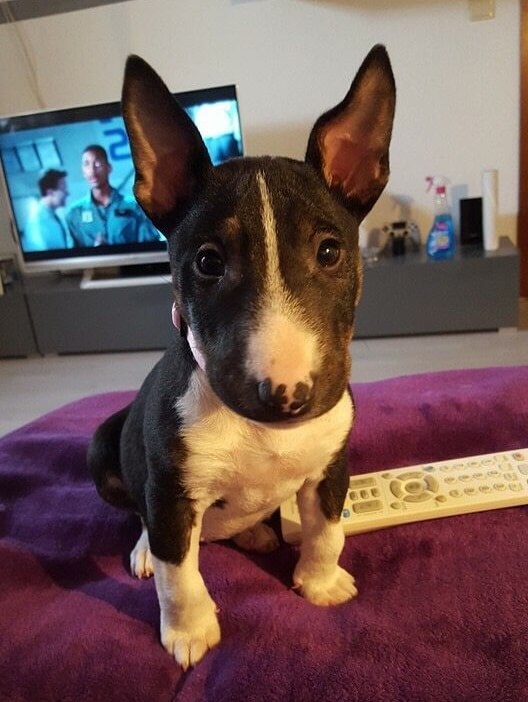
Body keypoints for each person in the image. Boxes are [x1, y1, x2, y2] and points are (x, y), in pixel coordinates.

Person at [66, 144, 160, 247]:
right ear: (83, 172)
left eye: (97, 164)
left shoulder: (135, 207)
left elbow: (149, 249)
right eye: (86, 164)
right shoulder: (74, 213)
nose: (92, 170)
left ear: (109, 168)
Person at [24, 169, 70, 251]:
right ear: (50, 192)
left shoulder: (52, 215)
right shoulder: (38, 221)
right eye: (63, 189)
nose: (67, 193)